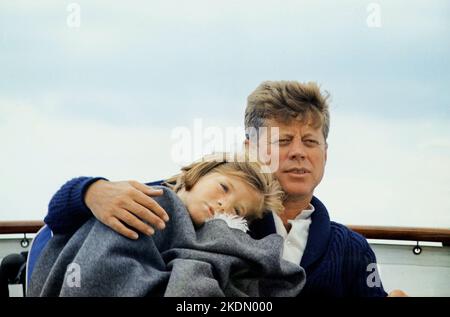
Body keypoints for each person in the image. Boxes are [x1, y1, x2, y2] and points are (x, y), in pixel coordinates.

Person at [39, 81, 404, 296]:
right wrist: (92, 191)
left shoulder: (352, 250)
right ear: (249, 149)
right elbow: (58, 217)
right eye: (282, 140)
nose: (298, 153)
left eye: (310, 141)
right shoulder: (201, 205)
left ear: (326, 153)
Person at [28, 152, 305, 297]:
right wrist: (89, 191)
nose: (224, 205)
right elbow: (57, 219)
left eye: (236, 211)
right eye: (223, 187)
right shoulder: (147, 199)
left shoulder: (214, 236)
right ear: (197, 174)